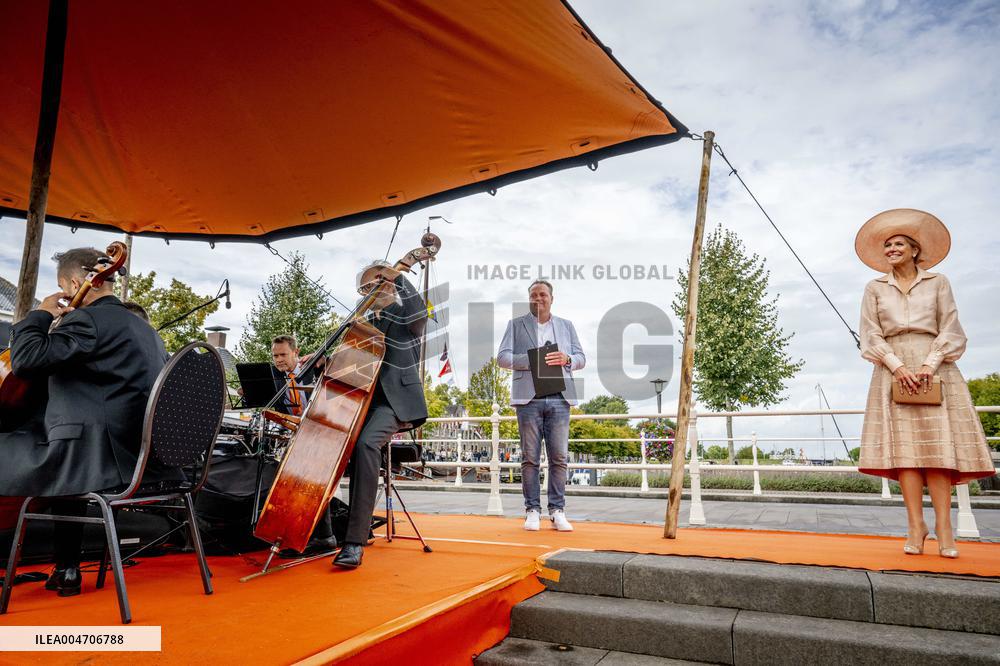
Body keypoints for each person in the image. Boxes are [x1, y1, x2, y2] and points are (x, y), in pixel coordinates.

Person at [0, 247, 170, 596]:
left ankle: (61, 566)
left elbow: (27, 360)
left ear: (76, 283)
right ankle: (66, 569)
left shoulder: (88, 320)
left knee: (28, 441)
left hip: (98, 457)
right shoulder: (148, 332)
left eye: (64, 287)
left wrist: (41, 314)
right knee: (62, 436)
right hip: (141, 458)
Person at [856, 209, 994, 559]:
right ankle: (916, 526)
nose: (891, 249)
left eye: (898, 243)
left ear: (914, 249)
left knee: (938, 452)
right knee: (907, 455)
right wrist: (897, 365)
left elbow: (950, 326)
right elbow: (870, 333)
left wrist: (931, 364)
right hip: (892, 367)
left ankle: (946, 526)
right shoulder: (874, 288)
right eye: (887, 245)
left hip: (937, 364)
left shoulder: (938, 282)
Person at [332, 261, 428, 569]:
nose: (369, 291)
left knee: (365, 445)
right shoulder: (361, 326)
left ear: (387, 284)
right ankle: (322, 531)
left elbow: (420, 314)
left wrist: (399, 276)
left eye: (375, 283)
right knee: (334, 448)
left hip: (395, 402)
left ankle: (354, 542)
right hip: (363, 402)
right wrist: (325, 360)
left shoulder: (404, 315)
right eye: (364, 288)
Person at [498, 280, 584, 532]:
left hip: (560, 397)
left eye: (543, 294)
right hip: (528, 399)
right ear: (529, 299)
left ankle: (557, 510)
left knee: (559, 457)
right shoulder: (515, 325)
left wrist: (567, 359)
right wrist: (534, 360)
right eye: (534, 295)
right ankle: (532, 510)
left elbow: (581, 358)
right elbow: (502, 358)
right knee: (530, 458)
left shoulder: (566, 326)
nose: (538, 299)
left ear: (551, 298)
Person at [269, 334, 318, 417]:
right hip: (288, 427)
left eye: (283, 355)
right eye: (275, 356)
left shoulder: (313, 368)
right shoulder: (272, 373)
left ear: (296, 352)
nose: (279, 360)